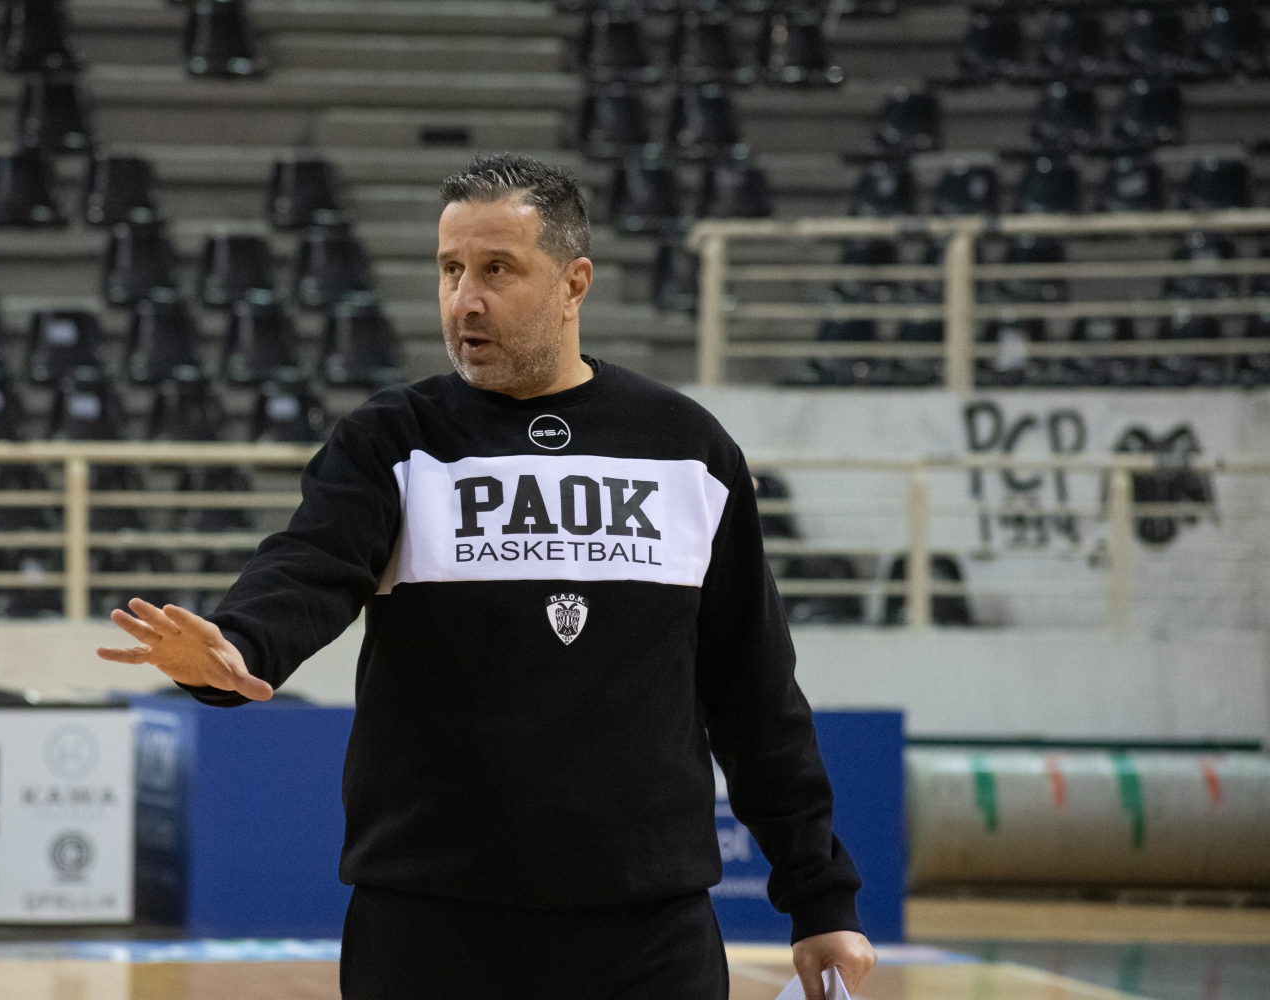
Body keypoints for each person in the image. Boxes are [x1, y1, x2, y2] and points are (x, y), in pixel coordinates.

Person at [97, 154, 876, 1000]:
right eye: (450, 270)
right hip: (428, 924)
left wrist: (819, 897)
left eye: (497, 270)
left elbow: (755, 693)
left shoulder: (686, 449)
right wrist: (239, 643)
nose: (465, 300)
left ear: (574, 283)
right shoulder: (395, 440)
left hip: (648, 929)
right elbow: (309, 564)